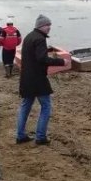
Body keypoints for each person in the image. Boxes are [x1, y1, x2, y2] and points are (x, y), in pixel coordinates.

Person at [16, 14, 68, 145]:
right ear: (40, 26)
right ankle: (40, 137)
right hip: (37, 79)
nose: (49, 27)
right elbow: (42, 59)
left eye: (50, 25)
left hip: (26, 77)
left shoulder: (29, 36)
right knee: (46, 106)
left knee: (25, 106)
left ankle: (20, 135)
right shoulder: (39, 39)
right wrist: (62, 61)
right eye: (47, 25)